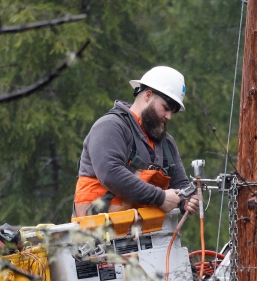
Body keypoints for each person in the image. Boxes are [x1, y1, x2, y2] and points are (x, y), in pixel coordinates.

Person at [74, 66, 199, 218]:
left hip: (149, 236)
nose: (168, 117)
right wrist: (160, 197)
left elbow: (180, 185)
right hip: (97, 235)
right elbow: (110, 173)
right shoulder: (110, 126)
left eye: (172, 112)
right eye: (165, 108)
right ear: (148, 96)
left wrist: (186, 200)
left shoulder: (167, 143)